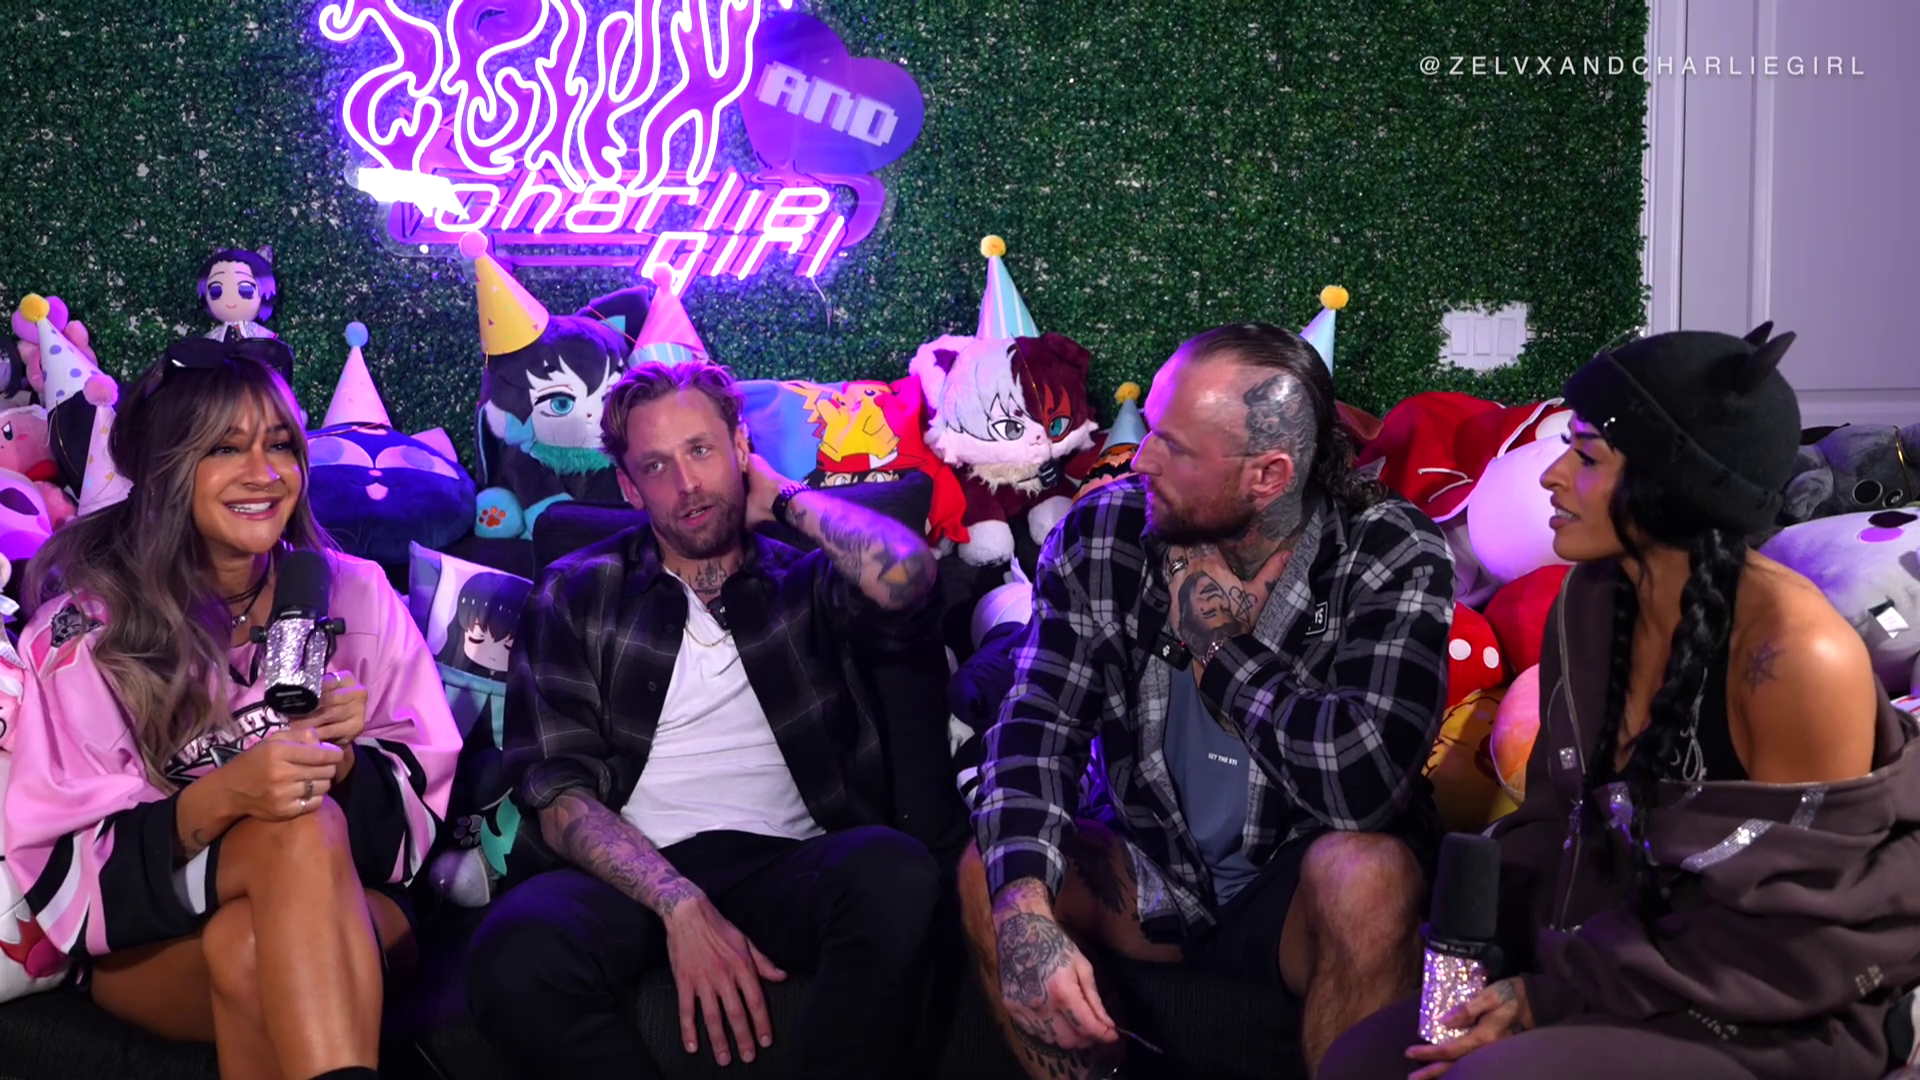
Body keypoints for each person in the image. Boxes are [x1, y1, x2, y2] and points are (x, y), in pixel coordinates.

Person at [1318, 326, 1920, 1080]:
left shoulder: (1799, 656)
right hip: (1609, 966)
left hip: (1770, 1009)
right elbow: (1557, 825)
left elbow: (1792, 938)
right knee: (1363, 1060)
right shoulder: (1592, 600)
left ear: (1674, 483)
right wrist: (1484, 958)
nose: (1550, 476)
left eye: (1586, 455)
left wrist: (1551, 1001)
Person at [962, 321, 1457, 1078]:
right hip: (1155, 866)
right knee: (991, 873)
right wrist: (1024, 907)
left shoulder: (1386, 548)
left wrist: (1221, 649)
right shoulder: (1106, 530)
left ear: (1269, 475)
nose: (1141, 458)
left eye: (1175, 447)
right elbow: (1039, 725)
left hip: (1294, 883)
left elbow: (1366, 786)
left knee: (1373, 877)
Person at [466, 360, 945, 1079]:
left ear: (740, 449)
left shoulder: (804, 579)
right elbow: (559, 799)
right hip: (631, 875)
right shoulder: (577, 591)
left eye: (701, 450)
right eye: (657, 465)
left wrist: (785, 499)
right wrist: (676, 902)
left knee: (897, 874)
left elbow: (908, 576)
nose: (687, 484)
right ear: (630, 488)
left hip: (789, 861)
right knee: (513, 953)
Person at [1, 337, 461, 1080]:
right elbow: (69, 874)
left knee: (259, 921)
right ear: (164, 471)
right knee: (279, 866)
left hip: (346, 904)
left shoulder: (358, 593)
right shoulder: (84, 632)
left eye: (279, 444)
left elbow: (417, 815)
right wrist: (229, 794)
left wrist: (345, 764)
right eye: (224, 448)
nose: (265, 473)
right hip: (154, 940)